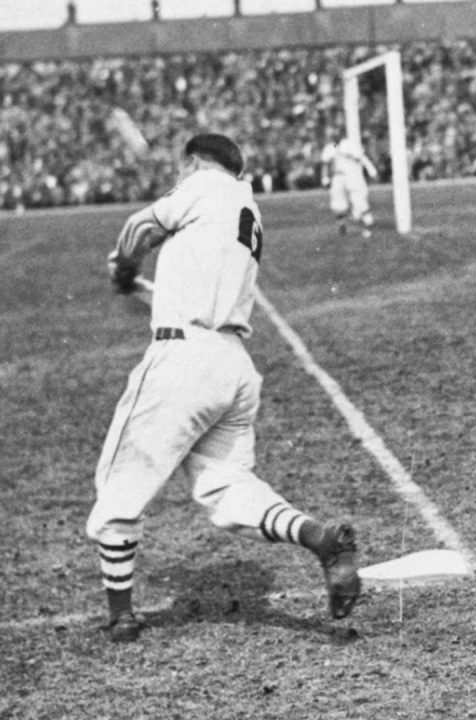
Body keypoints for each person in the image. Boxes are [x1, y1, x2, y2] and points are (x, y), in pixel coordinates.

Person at [91, 133, 361, 643]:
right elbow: (187, 291)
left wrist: (125, 267)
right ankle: (318, 536)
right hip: (232, 364)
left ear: (195, 162)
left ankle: (121, 614)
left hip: (182, 359)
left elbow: (138, 227)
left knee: (119, 486)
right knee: (227, 485)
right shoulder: (244, 207)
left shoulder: (204, 184)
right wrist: (138, 288)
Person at [321, 130, 379, 238]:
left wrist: (372, 171)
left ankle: (368, 227)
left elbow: (362, 158)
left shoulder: (350, 144)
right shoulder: (330, 147)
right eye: (332, 134)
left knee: (359, 201)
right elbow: (325, 163)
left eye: (336, 133)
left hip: (353, 175)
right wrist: (325, 178)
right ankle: (342, 226)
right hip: (338, 176)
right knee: (338, 202)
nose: (334, 136)